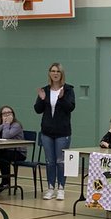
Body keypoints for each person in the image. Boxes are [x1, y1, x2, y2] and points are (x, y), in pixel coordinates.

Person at [34, 62, 75, 202]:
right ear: (49, 73)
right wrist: (42, 99)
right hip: (47, 132)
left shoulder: (68, 90)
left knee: (60, 161)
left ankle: (61, 188)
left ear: (61, 74)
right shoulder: (45, 90)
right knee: (49, 161)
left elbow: (70, 108)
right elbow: (37, 110)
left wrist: (62, 98)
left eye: (58, 71)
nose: (55, 73)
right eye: (53, 71)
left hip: (62, 132)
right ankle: (50, 187)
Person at [0, 105, 26, 192]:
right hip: (5, 150)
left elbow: (6, 135)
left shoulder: (16, 125)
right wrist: (3, 124)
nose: (7, 115)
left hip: (18, 152)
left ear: (13, 115)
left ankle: (6, 182)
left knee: (2, 157)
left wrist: (7, 124)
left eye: (9, 113)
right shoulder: (1, 125)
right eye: (4, 113)